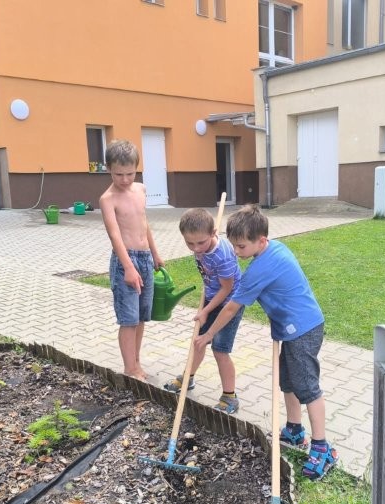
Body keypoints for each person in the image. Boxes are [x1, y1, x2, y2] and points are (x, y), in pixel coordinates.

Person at [193, 204, 338, 480]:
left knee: (307, 387)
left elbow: (231, 308)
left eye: (241, 246)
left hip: (303, 329)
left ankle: (322, 447)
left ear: (261, 241)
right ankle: (294, 430)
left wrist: (209, 335)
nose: (237, 252)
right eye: (233, 245)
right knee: (288, 381)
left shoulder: (260, 269)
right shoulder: (274, 248)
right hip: (294, 328)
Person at [163, 208, 245, 414]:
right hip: (212, 297)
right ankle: (188, 378)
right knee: (198, 342)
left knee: (220, 350)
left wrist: (206, 310)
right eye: (190, 243)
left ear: (213, 233)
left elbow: (226, 288)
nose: (196, 248)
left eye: (201, 243)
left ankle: (230, 396)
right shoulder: (201, 246)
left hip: (229, 304)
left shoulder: (223, 256)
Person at [100, 140, 163, 380]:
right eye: (119, 174)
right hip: (125, 261)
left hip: (145, 258)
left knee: (141, 316)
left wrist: (154, 253)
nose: (125, 179)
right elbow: (114, 235)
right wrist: (128, 267)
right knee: (129, 319)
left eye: (130, 173)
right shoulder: (108, 199)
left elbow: (144, 224)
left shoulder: (141, 190)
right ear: (109, 168)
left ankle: (136, 362)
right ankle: (130, 370)